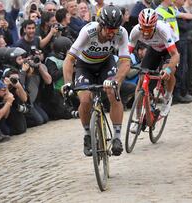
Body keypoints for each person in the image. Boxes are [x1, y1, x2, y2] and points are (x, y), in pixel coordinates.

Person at [62, 5, 130, 156]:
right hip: (84, 66)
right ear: (101, 25)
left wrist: (117, 80)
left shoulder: (122, 33)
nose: (112, 33)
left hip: (106, 63)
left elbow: (125, 62)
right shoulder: (88, 31)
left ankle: (117, 137)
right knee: (85, 99)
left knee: (113, 92)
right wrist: (67, 83)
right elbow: (69, 59)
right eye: (109, 30)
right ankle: (87, 135)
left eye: (115, 29)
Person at [129, 8, 179, 118]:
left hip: (170, 49)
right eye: (144, 28)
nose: (146, 31)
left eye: (149, 28)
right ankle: (137, 117)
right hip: (154, 48)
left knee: (168, 72)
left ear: (155, 26)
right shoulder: (135, 31)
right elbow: (126, 53)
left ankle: (167, 97)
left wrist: (168, 70)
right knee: (141, 79)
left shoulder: (163, 30)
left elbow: (175, 55)